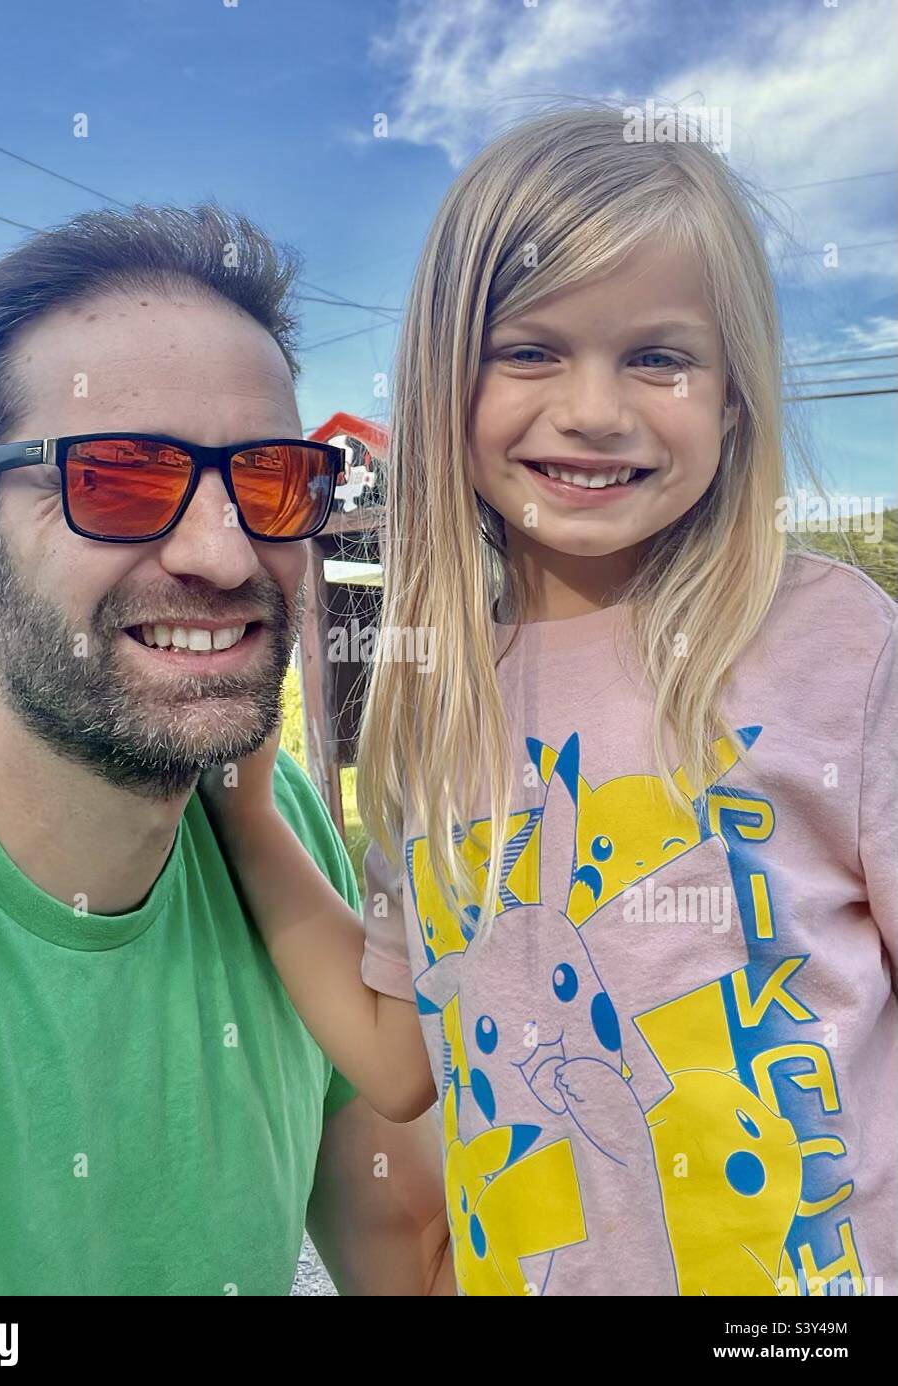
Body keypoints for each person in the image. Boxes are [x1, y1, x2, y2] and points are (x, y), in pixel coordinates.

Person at [205, 105, 898, 1296]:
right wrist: (244, 812)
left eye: (657, 356)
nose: (591, 408)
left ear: (730, 399)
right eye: (528, 350)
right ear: (442, 384)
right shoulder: (428, 701)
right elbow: (396, 1059)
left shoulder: (831, 639)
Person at [0, 204, 452, 1297]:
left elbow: (414, 1255)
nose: (224, 555)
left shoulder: (277, 826)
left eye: (273, 482)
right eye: (123, 477)